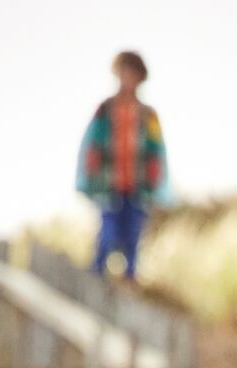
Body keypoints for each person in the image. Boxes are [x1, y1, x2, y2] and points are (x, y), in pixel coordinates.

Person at [76, 50, 166, 281]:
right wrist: (93, 168)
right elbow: (93, 143)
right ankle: (96, 277)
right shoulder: (105, 110)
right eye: (123, 72)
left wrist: (153, 175)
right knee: (107, 233)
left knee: (133, 236)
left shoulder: (148, 115)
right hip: (110, 183)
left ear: (139, 77)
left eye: (132, 73)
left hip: (138, 186)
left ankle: (130, 281)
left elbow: (156, 149)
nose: (127, 79)